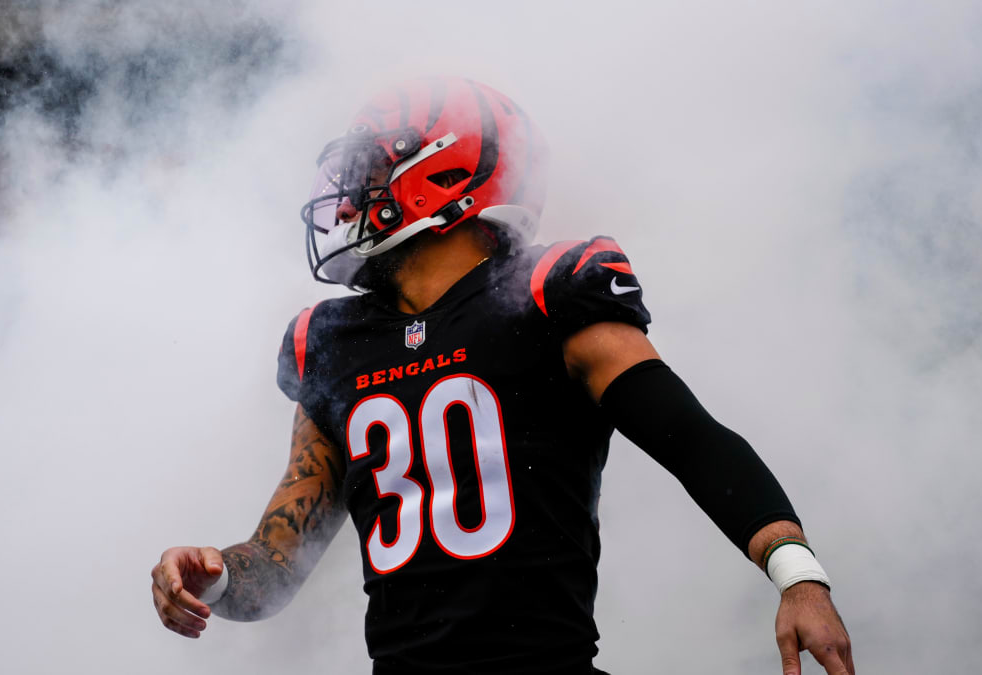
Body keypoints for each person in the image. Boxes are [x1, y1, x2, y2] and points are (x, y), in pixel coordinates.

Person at [150, 77, 853, 675]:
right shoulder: (329, 342)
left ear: (441, 171)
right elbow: (277, 563)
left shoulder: (549, 294)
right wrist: (214, 575)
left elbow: (692, 439)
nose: (348, 192)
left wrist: (796, 573)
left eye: (370, 168)